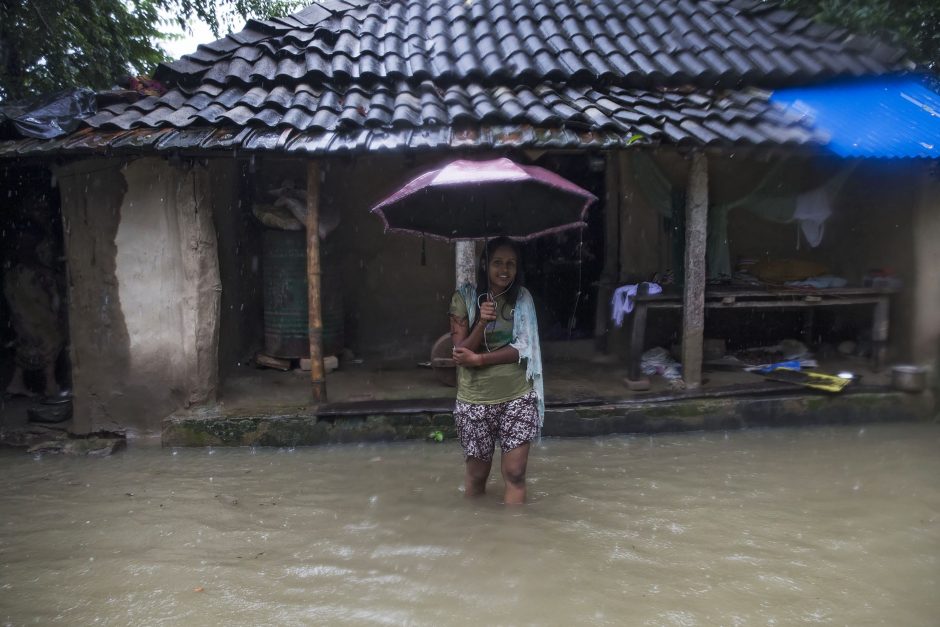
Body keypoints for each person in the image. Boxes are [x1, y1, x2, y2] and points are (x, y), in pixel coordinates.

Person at [449, 237, 544, 504]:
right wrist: (481, 321)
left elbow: (524, 348)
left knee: (515, 474)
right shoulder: (463, 298)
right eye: (498, 263)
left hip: (517, 395)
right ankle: (477, 536)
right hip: (476, 399)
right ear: (484, 265)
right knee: (478, 476)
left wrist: (480, 360)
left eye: (511, 264)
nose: (505, 270)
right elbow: (460, 353)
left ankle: (515, 537)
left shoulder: (522, 298)